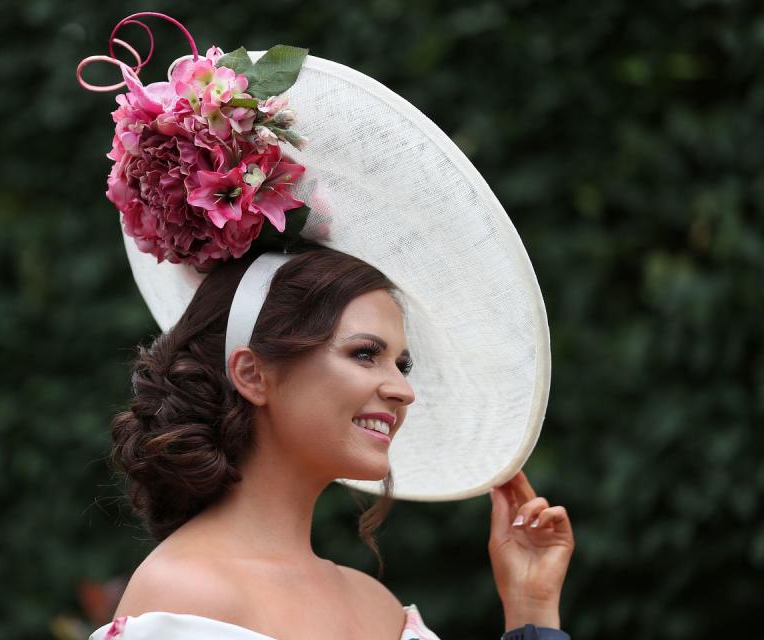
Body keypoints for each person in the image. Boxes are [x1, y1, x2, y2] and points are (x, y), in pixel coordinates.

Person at [77, 12, 575, 640]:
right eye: (366, 353)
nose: (402, 390)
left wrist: (530, 609)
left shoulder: (379, 607)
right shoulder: (189, 595)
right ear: (253, 372)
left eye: (402, 362)